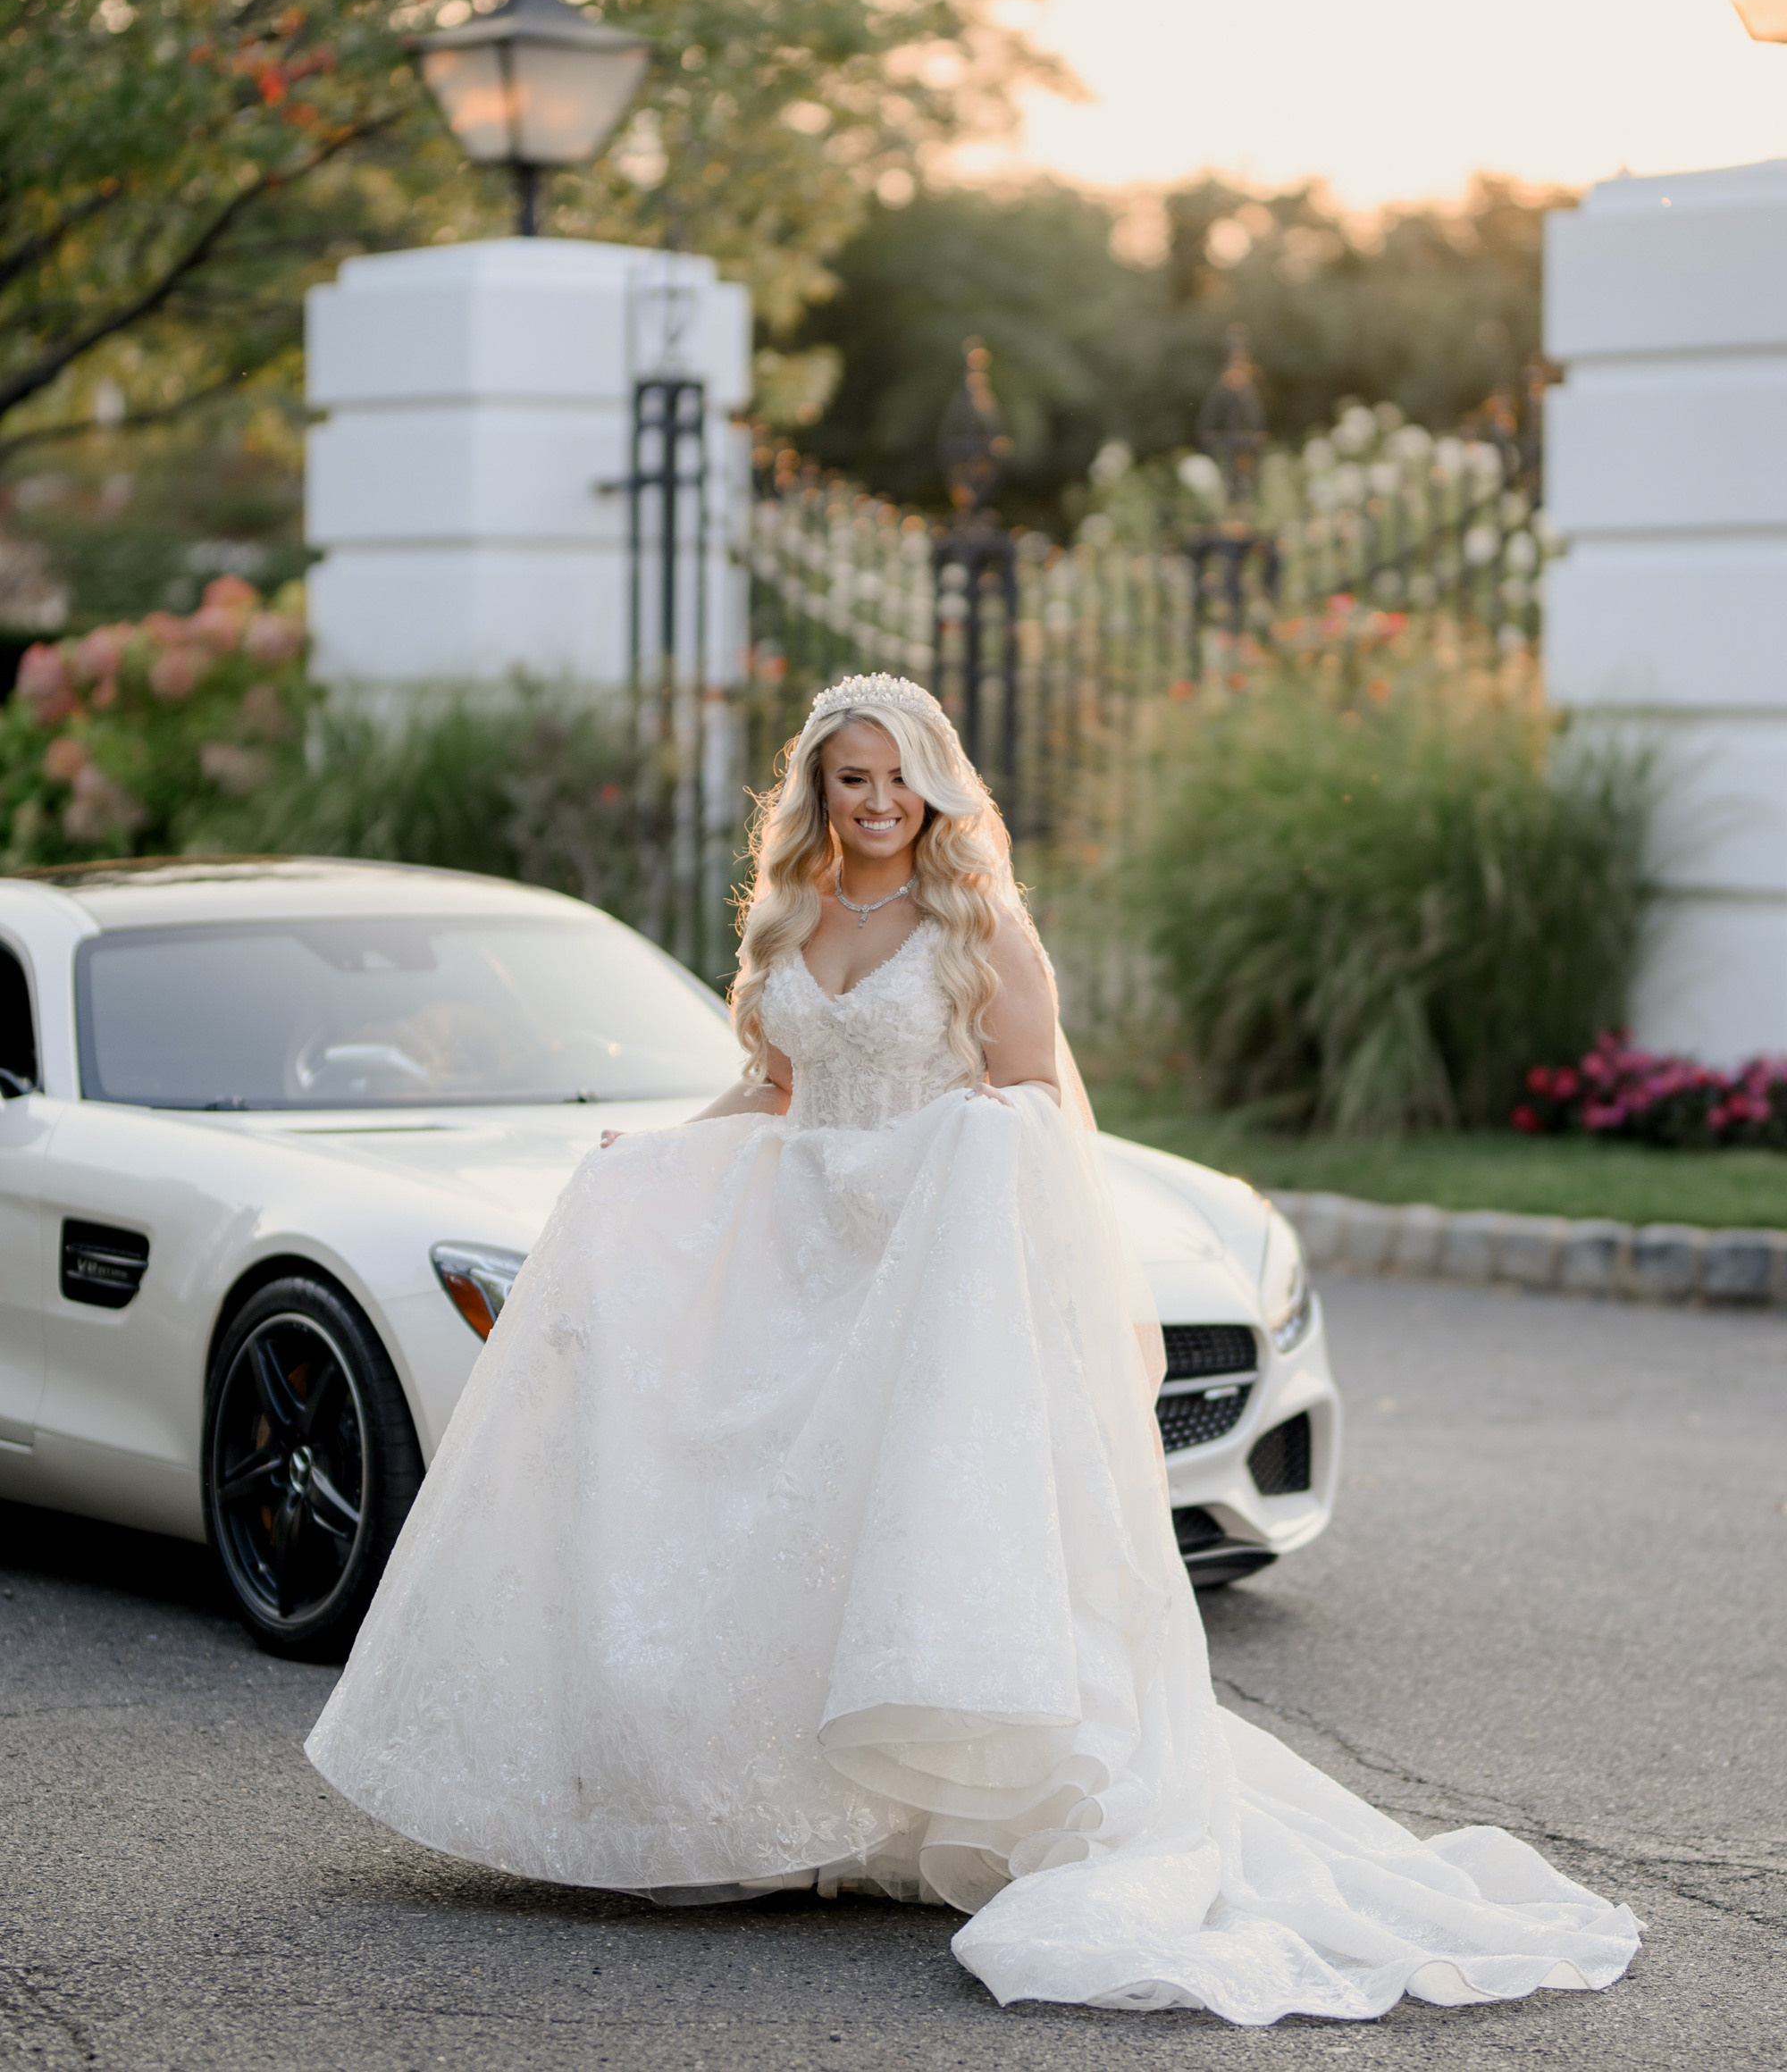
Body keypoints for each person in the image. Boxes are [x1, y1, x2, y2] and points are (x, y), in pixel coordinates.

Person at [306, 673, 1640, 2021]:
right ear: (816, 792)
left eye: (899, 778)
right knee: (779, 1534)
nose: (878, 803)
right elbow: (774, 1089)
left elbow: (1029, 1105)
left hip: (927, 1275)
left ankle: (926, 1804)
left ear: (936, 783)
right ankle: (784, 1817)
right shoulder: (788, 917)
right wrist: (656, 1155)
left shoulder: (978, 923)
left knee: (908, 1536)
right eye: (851, 780)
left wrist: (932, 1155)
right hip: (802, 1269)